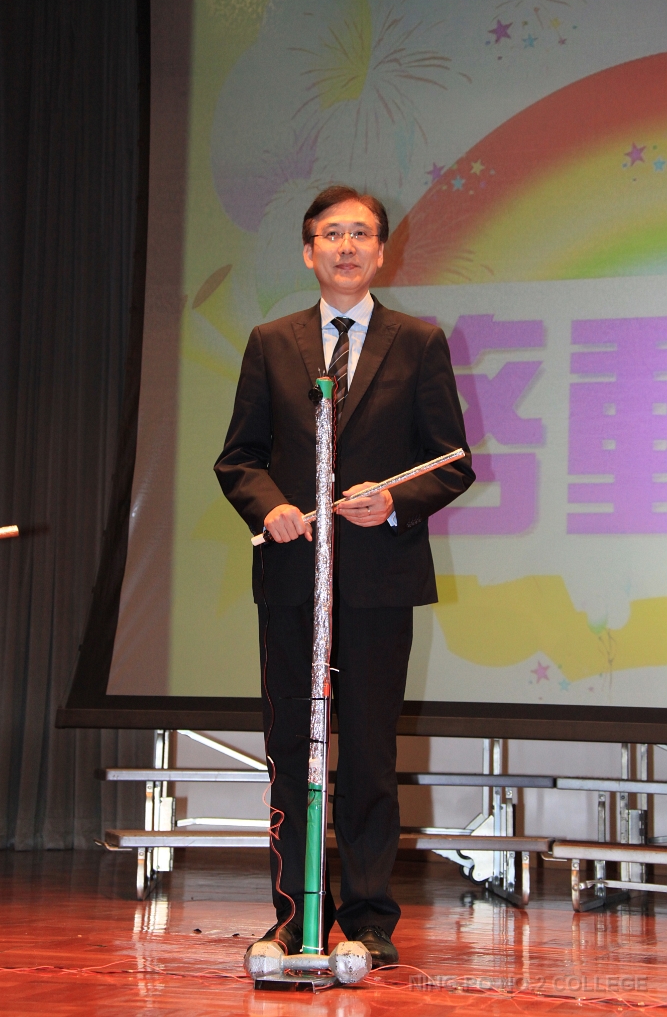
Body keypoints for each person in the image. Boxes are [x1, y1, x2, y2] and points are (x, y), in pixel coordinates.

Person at [215, 185, 474, 967]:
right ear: (308, 252)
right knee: (291, 750)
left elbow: (451, 462)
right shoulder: (271, 341)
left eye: (362, 233)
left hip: (377, 583)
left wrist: (393, 501)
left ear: (381, 251)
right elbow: (239, 458)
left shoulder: (418, 342)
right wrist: (270, 507)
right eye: (332, 234)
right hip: (292, 578)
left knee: (366, 754)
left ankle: (368, 920)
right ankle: (295, 916)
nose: (347, 246)